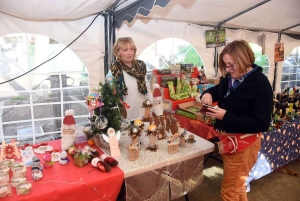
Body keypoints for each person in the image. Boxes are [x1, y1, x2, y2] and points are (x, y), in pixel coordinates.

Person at [200, 40, 273, 201]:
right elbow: (218, 90)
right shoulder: (230, 77)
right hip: (230, 141)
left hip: (244, 144)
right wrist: (208, 94)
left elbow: (261, 123)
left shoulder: (260, 84)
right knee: (237, 187)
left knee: (229, 192)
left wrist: (225, 116)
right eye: (226, 65)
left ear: (245, 61)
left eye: (232, 65)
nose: (228, 69)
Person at [110, 37, 153, 121]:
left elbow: (147, 88)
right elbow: (112, 96)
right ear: (118, 52)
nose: (129, 53)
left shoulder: (141, 66)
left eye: (131, 49)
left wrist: (149, 105)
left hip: (142, 113)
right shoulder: (114, 70)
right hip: (125, 116)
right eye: (125, 50)